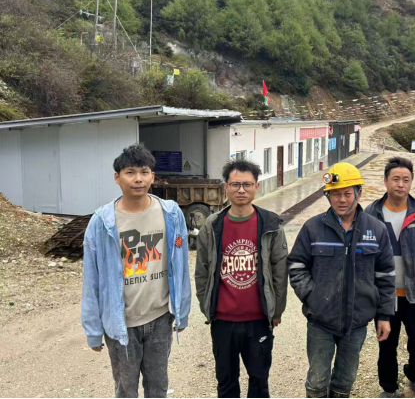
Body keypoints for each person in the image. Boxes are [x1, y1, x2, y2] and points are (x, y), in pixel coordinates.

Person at [81, 143, 191, 398]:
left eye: (144, 172)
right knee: (126, 390)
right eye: (130, 172)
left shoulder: (171, 214)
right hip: (122, 325)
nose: (138, 179)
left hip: (160, 318)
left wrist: (182, 312)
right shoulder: (102, 222)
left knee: (158, 387)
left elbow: (181, 267)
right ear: (117, 178)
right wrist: (93, 330)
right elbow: (91, 279)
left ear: (153, 176)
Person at [288, 162, 396, 398]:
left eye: (347, 193)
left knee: (344, 382)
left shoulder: (376, 230)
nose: (342, 200)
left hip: (356, 323)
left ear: (359, 192)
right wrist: (312, 296)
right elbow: (296, 265)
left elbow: (386, 275)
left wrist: (384, 316)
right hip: (321, 322)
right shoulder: (313, 228)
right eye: (335, 194)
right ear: (328, 196)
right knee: (317, 381)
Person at [194, 159, 288, 398]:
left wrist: (276, 310)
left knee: (259, 380)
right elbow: (202, 270)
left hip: (258, 319)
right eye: (235, 184)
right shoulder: (212, 225)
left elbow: (279, 271)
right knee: (226, 382)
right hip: (223, 320)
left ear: (257, 186)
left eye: (247, 184)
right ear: (226, 187)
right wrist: (207, 306)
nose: (241, 190)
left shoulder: (270, 224)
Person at [364, 156, 415, 398]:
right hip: (385, 297)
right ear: (385, 181)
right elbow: (363, 256)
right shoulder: (371, 213)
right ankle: (389, 388)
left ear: (411, 182)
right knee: (386, 346)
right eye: (395, 179)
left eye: (406, 179)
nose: (400, 184)